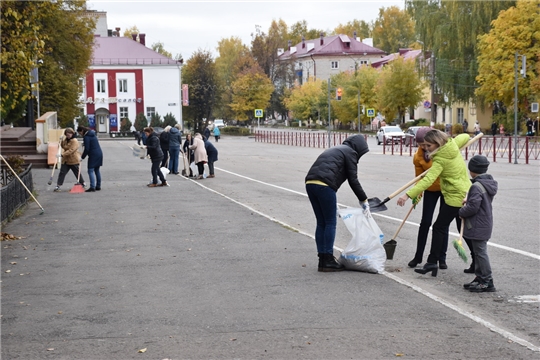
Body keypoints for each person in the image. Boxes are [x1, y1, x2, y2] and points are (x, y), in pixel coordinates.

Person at [397, 130, 470, 277]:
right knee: (443, 227)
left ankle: (434, 262)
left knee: (442, 227)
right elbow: (466, 136)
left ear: (438, 142)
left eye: (429, 145)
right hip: (463, 192)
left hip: (455, 195)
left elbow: (428, 179)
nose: (427, 148)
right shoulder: (452, 144)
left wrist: (407, 195)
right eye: (424, 145)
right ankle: (432, 262)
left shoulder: (440, 159)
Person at [305, 134, 370, 272]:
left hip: (310, 183)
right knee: (330, 222)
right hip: (324, 185)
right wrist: (364, 199)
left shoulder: (337, 149)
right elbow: (353, 180)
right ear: (358, 148)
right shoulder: (351, 152)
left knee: (321, 222)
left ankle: (322, 259)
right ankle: (328, 258)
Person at [407, 128, 449, 269]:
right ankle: (418, 257)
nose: (425, 147)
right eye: (421, 145)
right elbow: (419, 177)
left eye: (426, 144)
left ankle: (441, 258)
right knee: (425, 222)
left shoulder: (443, 152)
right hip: (430, 190)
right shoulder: (418, 157)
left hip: (445, 189)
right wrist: (417, 193)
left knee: (442, 225)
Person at [460, 155, 498, 292]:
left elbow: (473, 207)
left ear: (472, 169)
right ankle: (480, 277)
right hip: (484, 222)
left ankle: (487, 280)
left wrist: (462, 211)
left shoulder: (476, 186)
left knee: (480, 253)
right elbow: (478, 202)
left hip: (477, 224)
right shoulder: (488, 183)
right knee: (477, 252)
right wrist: (469, 201)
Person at [54, 128, 86, 192]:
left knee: (77, 172)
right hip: (66, 160)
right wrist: (61, 141)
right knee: (62, 172)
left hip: (73, 159)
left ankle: (83, 183)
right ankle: (58, 185)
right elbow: (64, 146)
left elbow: (71, 150)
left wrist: (62, 155)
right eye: (66, 135)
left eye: (69, 135)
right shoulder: (67, 139)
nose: (68, 136)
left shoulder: (75, 141)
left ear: (72, 133)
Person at [77, 126, 103, 192]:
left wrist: (82, 157)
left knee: (90, 170)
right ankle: (98, 186)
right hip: (99, 153)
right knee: (97, 170)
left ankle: (92, 187)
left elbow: (87, 149)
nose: (80, 134)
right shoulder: (92, 134)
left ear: (82, 131)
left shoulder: (86, 137)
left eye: (80, 133)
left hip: (93, 155)